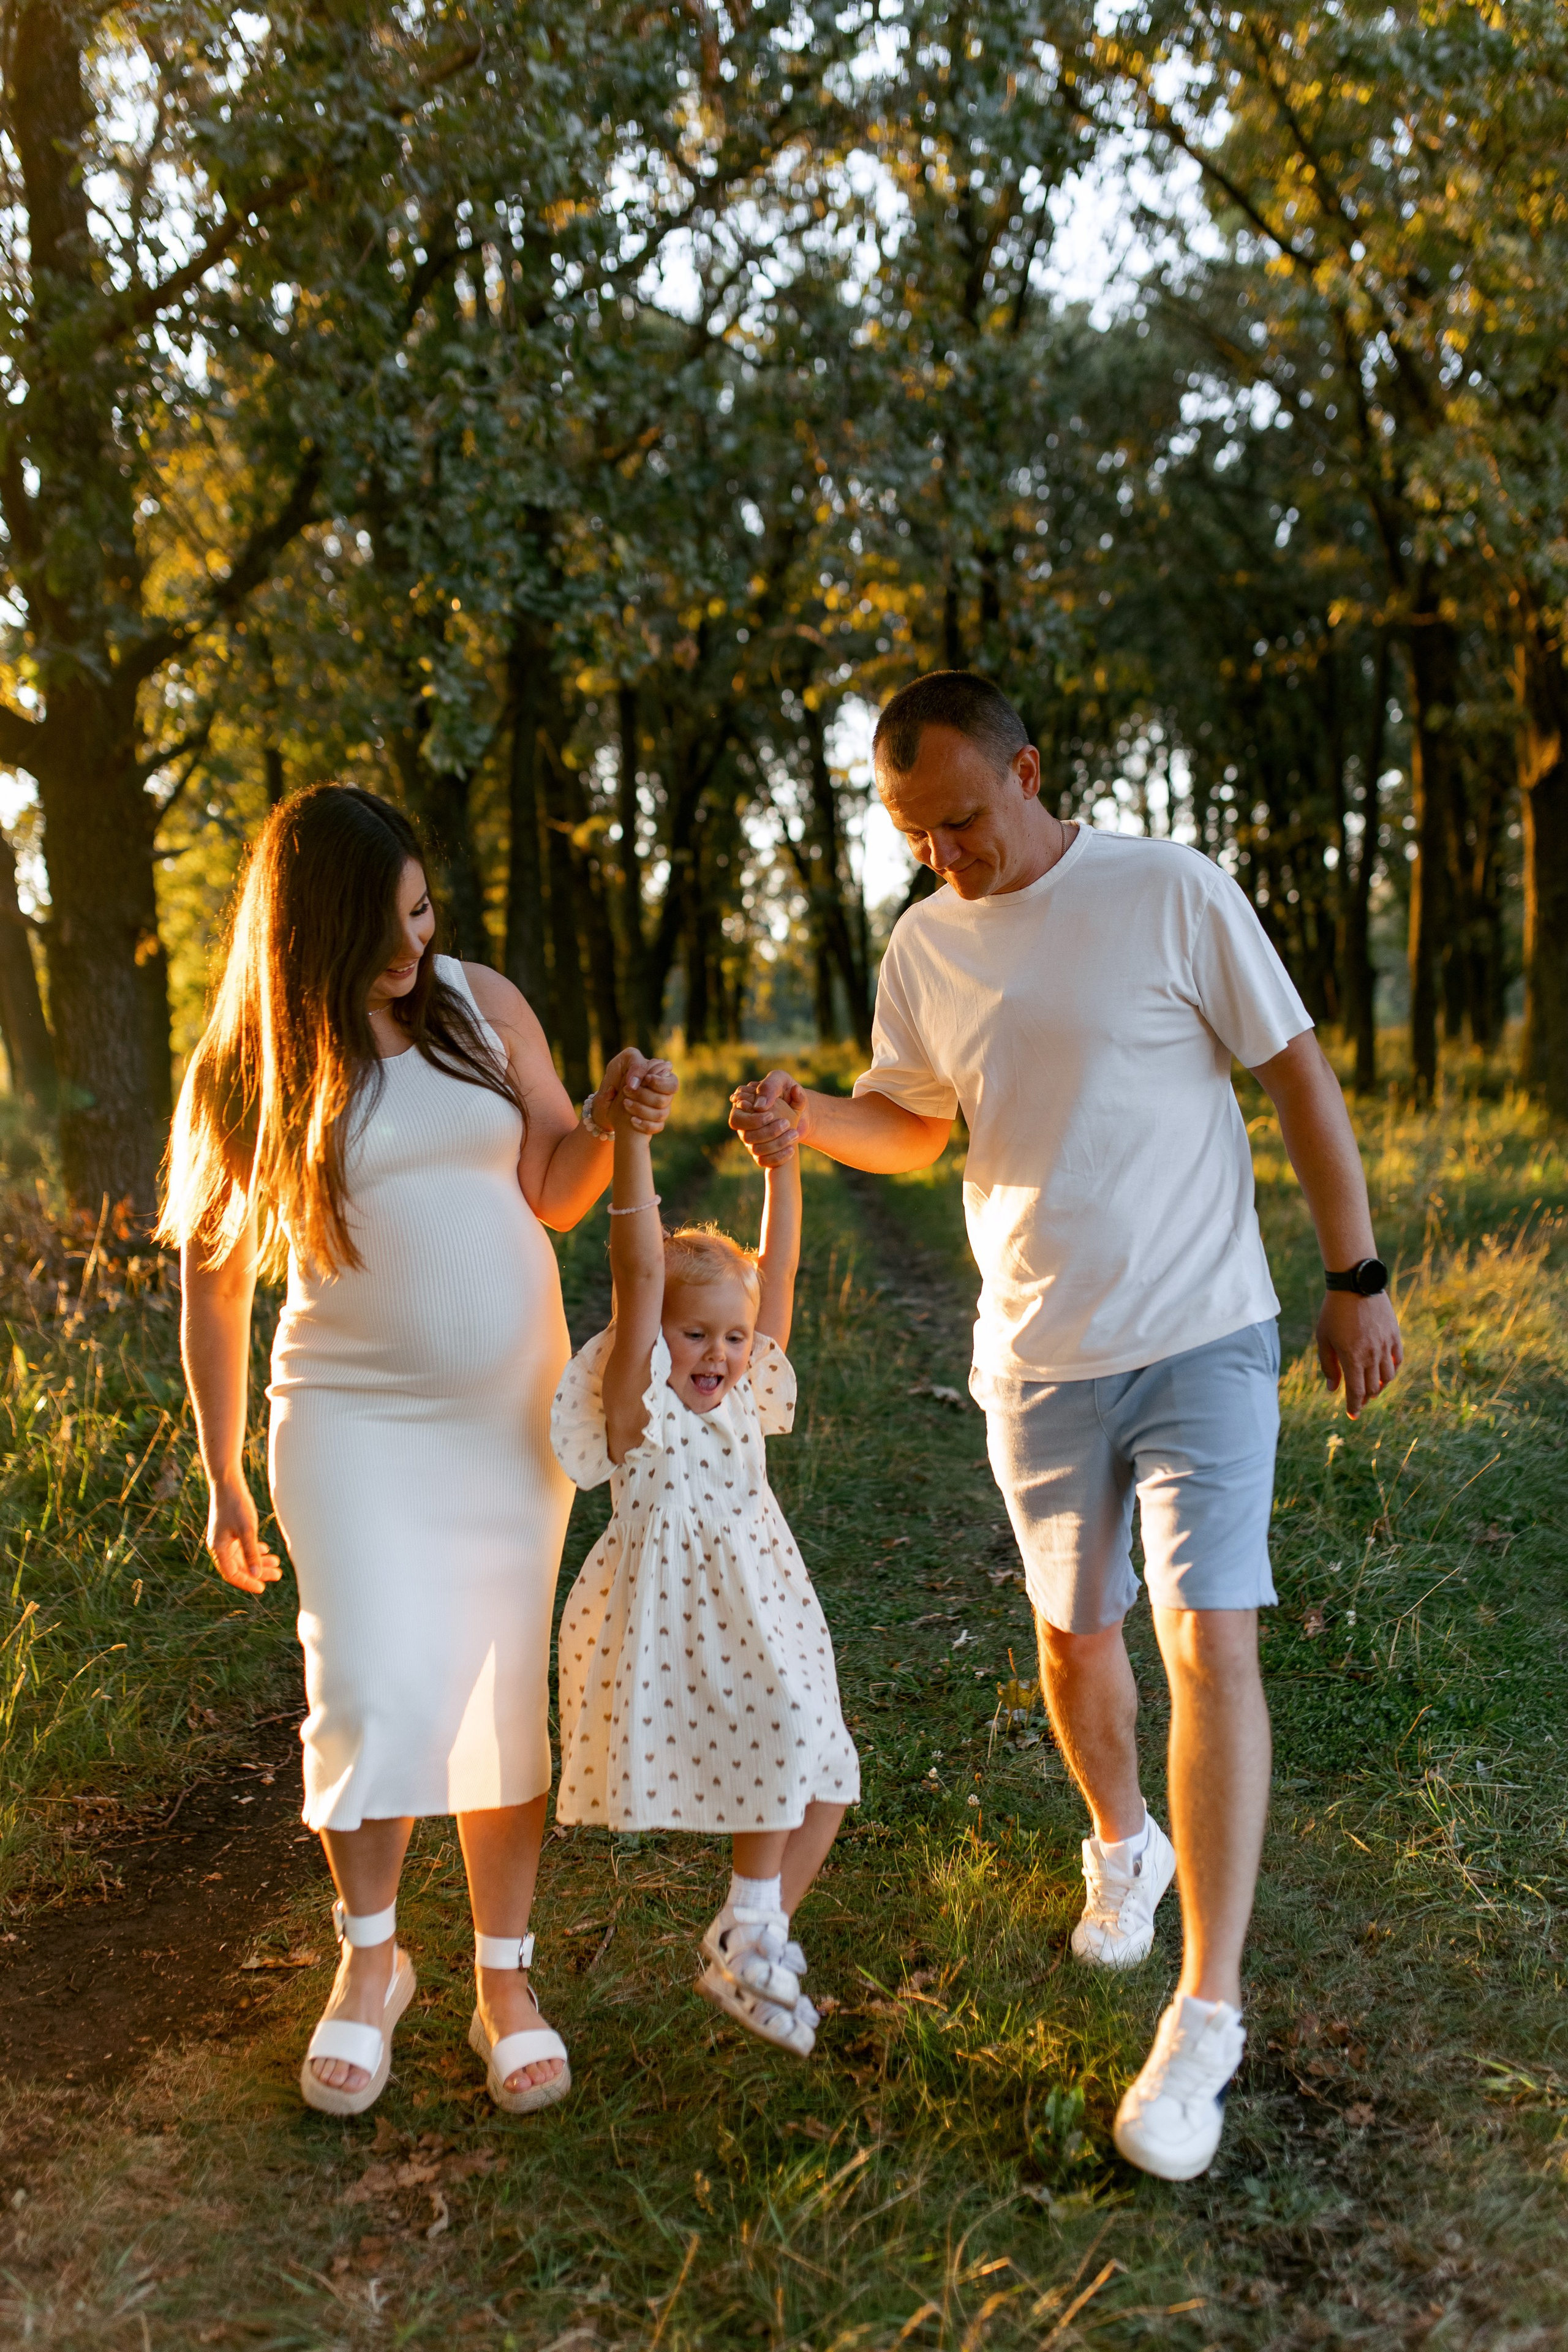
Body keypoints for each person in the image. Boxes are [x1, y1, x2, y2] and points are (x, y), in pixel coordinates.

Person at [730, 669, 1402, 2179]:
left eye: (962, 818)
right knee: (1070, 1641)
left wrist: (1351, 1273)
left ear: (1027, 772)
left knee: (1200, 1638)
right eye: (916, 833)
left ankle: (1205, 2014)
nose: (944, 854)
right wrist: (805, 1116)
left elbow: (1292, 1069)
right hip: (1037, 1355)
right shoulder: (923, 944)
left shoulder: (1168, 891)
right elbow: (913, 1124)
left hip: (1202, 1335)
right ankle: (1123, 1849)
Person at [161, 783, 675, 2119]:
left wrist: (610, 1119)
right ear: (308, 933)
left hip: (511, 1420)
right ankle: (372, 1965)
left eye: (421, 908)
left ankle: (503, 1980)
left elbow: (552, 1183)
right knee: (372, 1688)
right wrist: (221, 1472)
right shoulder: (257, 1058)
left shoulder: (478, 1002)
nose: (411, 945)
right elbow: (216, 1283)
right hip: (347, 1416)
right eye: (381, 926)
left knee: (504, 1692)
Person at [549, 1073, 858, 2057]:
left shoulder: (745, 1390)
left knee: (831, 1778)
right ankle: (751, 1927)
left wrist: (786, 1164)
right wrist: (631, 1141)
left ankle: (754, 1928)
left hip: (765, 1603)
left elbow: (784, 1275)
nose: (719, 1352)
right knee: (781, 1742)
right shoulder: (638, 1407)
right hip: (682, 1621)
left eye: (731, 1334)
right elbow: (638, 1270)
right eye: (695, 1334)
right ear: (655, 1340)